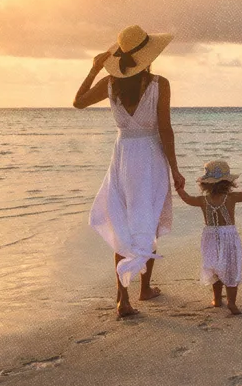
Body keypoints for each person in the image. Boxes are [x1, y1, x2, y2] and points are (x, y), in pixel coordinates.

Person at [73, 24, 185, 318]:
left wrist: (95, 69)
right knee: (148, 216)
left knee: (123, 221)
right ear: (148, 57)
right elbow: (165, 129)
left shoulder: (111, 84)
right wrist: (174, 168)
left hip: (123, 157)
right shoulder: (160, 84)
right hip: (150, 155)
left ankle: (123, 298)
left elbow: (78, 102)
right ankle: (144, 288)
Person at [176, 160, 242, 315]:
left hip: (210, 237)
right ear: (228, 182)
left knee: (215, 268)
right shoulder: (231, 198)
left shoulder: (203, 200)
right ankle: (232, 303)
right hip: (228, 236)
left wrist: (179, 189)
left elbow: (187, 199)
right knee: (230, 269)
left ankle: (216, 299)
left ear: (206, 184)